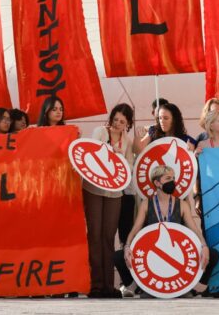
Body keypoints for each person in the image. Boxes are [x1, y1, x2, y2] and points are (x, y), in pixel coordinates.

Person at [117, 165, 218, 296]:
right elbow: (135, 229)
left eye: (174, 178)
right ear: (157, 182)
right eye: (168, 178)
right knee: (118, 256)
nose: (173, 182)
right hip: (154, 255)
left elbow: (195, 229)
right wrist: (127, 246)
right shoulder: (146, 203)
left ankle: (196, 287)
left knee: (213, 254)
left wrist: (204, 246)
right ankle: (136, 287)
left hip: (177, 252)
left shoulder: (182, 204)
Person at [84, 104, 135, 298]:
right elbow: (89, 154)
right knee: (94, 235)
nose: (117, 124)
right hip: (94, 189)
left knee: (108, 236)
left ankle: (108, 285)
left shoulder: (127, 141)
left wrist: (121, 158)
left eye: (122, 122)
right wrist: (108, 150)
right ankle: (95, 284)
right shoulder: (100, 132)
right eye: (115, 119)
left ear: (127, 124)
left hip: (115, 192)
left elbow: (129, 167)